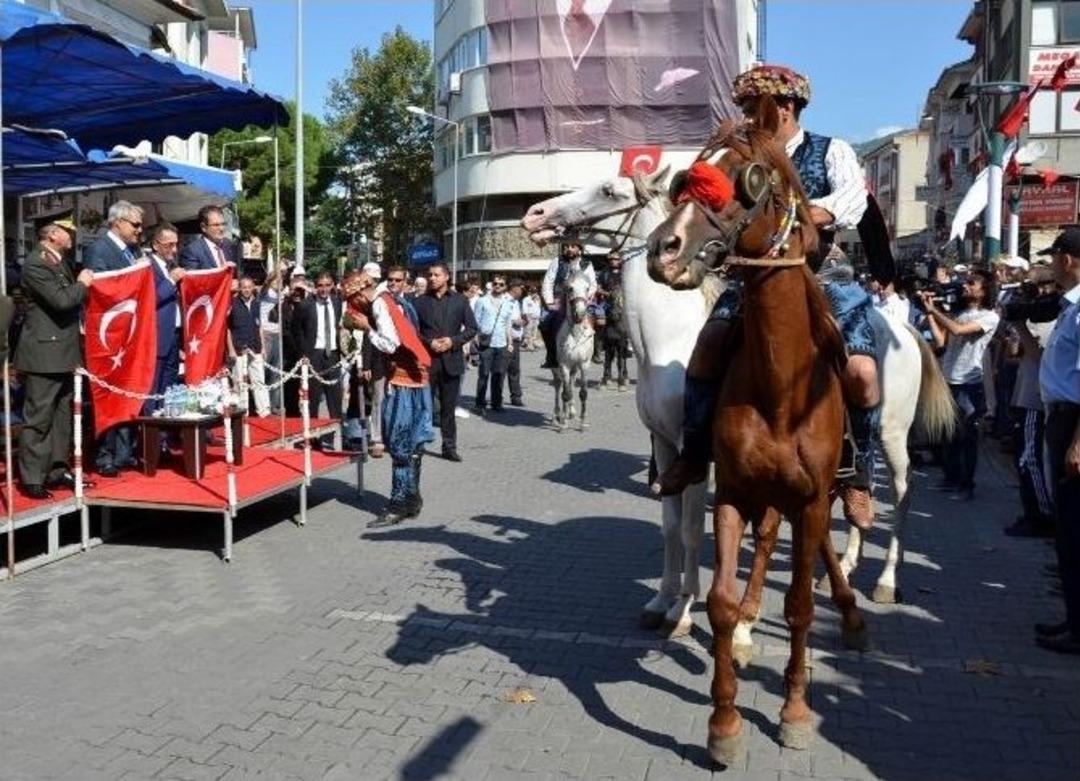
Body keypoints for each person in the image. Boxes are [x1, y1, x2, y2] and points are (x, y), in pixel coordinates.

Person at [658, 64, 881, 531]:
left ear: (785, 107)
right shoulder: (739, 154)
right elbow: (710, 202)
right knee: (708, 345)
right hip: (753, 277)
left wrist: (797, 215)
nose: (746, 116)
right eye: (742, 108)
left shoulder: (831, 149)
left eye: (752, 107)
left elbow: (852, 201)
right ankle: (694, 452)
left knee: (862, 372)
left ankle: (857, 472)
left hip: (823, 274)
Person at [343, 270, 434, 527]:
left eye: (353, 300)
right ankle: (413, 499)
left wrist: (367, 328)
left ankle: (398, 504)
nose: (354, 306)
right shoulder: (394, 300)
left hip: (404, 384)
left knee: (400, 444)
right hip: (418, 380)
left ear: (360, 294)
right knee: (414, 444)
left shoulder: (380, 304)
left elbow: (390, 343)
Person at [16, 220, 95, 498]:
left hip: (63, 351)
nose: (72, 234)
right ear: (52, 234)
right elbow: (61, 301)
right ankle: (32, 477)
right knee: (39, 418)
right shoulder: (37, 263)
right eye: (67, 230)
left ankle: (56, 469)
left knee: (62, 417)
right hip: (44, 353)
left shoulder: (58, 261)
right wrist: (82, 284)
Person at [1032, 229, 1080, 655]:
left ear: (1067, 258)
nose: (1049, 265)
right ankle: (1073, 619)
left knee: (1076, 531)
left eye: (1053, 257)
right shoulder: (1071, 308)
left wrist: (1079, 442)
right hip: (1061, 419)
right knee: (1067, 531)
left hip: (1074, 424)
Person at [918, 269, 999, 499]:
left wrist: (935, 311)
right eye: (966, 282)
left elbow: (958, 330)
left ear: (984, 291)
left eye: (972, 283)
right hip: (949, 379)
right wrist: (930, 313)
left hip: (969, 383)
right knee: (950, 434)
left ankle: (966, 485)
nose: (965, 285)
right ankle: (952, 478)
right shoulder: (960, 313)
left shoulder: (989, 317)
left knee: (967, 437)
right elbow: (942, 340)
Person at [83, 201, 145, 476]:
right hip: (107, 337)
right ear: (118, 222)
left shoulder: (132, 251)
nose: (139, 230)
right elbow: (103, 291)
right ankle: (103, 455)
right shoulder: (99, 250)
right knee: (106, 397)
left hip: (127, 337)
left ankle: (123, 452)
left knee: (125, 395)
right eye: (135, 225)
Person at [1005, 265, 1057, 538]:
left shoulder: (1054, 320)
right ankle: (1031, 512)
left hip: (1038, 398)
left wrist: (1020, 326)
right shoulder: (1034, 317)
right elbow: (1012, 355)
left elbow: (1040, 357)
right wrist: (1015, 326)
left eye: (1042, 286)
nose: (1038, 292)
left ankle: (1041, 515)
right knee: (1024, 457)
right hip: (1024, 393)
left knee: (1030, 458)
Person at [413, 263, 478, 461]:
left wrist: (453, 341)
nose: (432, 278)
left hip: (452, 361)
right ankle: (418, 445)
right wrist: (429, 342)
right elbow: (413, 331)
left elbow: (472, 328)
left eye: (436, 275)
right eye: (430, 274)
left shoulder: (460, 300)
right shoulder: (420, 302)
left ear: (447, 277)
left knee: (448, 409)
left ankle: (449, 447)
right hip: (428, 362)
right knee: (423, 407)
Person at [295, 271, 344, 434]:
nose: (324, 289)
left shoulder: (337, 302)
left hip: (333, 354)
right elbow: (296, 330)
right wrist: (303, 353)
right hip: (313, 354)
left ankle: (337, 432)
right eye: (320, 286)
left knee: (335, 396)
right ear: (315, 287)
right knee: (313, 397)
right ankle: (313, 433)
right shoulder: (305, 305)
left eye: (327, 285)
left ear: (332, 286)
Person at [145, 224, 185, 419]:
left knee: (169, 386)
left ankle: (165, 429)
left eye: (176, 244)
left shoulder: (172, 266)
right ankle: (150, 430)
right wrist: (170, 281)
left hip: (174, 334)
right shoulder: (147, 266)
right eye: (169, 245)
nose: (174, 250)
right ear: (155, 245)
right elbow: (150, 299)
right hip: (157, 336)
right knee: (154, 386)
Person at [539, 241, 597, 369]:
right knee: (544, 322)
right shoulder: (557, 261)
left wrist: (586, 298)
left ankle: (594, 352)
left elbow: (592, 284)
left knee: (598, 318)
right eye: (566, 247)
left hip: (580, 298)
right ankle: (551, 355)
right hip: (559, 299)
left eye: (572, 246)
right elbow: (548, 282)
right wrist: (549, 302)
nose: (569, 249)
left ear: (579, 249)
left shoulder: (587, 264)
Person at [473, 273, 519, 413]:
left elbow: (507, 324)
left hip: (501, 343)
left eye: (501, 284)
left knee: (499, 374)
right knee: (483, 374)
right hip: (486, 343)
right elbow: (476, 321)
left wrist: (510, 342)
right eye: (495, 283)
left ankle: (496, 403)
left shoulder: (508, 303)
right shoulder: (482, 301)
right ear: (491, 285)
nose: (497, 286)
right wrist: (478, 336)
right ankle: (479, 403)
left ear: (505, 287)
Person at [228, 276, 271, 417]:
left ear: (253, 287)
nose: (247, 290)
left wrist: (263, 347)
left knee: (259, 380)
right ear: (240, 288)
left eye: (249, 287)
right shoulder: (232, 304)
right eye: (244, 287)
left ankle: (264, 411)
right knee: (239, 382)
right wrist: (231, 349)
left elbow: (259, 327)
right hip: (239, 348)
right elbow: (227, 329)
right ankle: (242, 413)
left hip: (255, 347)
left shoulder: (257, 304)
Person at [598, 250, 630, 390]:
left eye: (616, 259)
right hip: (608, 306)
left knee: (622, 344)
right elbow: (598, 288)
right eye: (611, 259)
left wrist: (622, 295)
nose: (613, 261)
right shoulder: (604, 273)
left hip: (624, 307)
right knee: (597, 321)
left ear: (620, 260)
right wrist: (607, 294)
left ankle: (623, 375)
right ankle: (605, 373)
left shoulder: (626, 273)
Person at [179, 205, 237, 270]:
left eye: (223, 224)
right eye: (216, 225)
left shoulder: (228, 244)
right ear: (203, 227)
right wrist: (222, 271)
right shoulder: (192, 252)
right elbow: (193, 276)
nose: (221, 228)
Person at [258, 268, 284, 412]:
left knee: (277, 371)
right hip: (266, 334)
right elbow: (265, 286)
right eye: (276, 281)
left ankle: (274, 404)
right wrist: (276, 271)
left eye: (280, 281)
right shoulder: (266, 292)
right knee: (264, 369)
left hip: (278, 334)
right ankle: (262, 404)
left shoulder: (281, 294)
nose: (279, 283)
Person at [505, 280, 527, 406]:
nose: (522, 291)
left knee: (514, 369)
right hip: (507, 340)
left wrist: (522, 321)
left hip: (516, 339)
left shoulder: (516, 302)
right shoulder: (506, 300)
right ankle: (497, 397)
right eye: (521, 288)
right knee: (502, 369)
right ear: (515, 288)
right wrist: (519, 322)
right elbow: (509, 319)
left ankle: (516, 396)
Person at [521, 286, 543, 350]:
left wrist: (539, 317)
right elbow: (524, 309)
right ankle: (529, 345)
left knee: (534, 332)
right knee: (528, 332)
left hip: (536, 318)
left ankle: (530, 343)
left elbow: (539, 309)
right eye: (532, 292)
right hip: (529, 317)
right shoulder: (526, 299)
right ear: (529, 292)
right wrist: (526, 317)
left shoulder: (538, 299)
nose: (534, 293)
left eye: (535, 292)